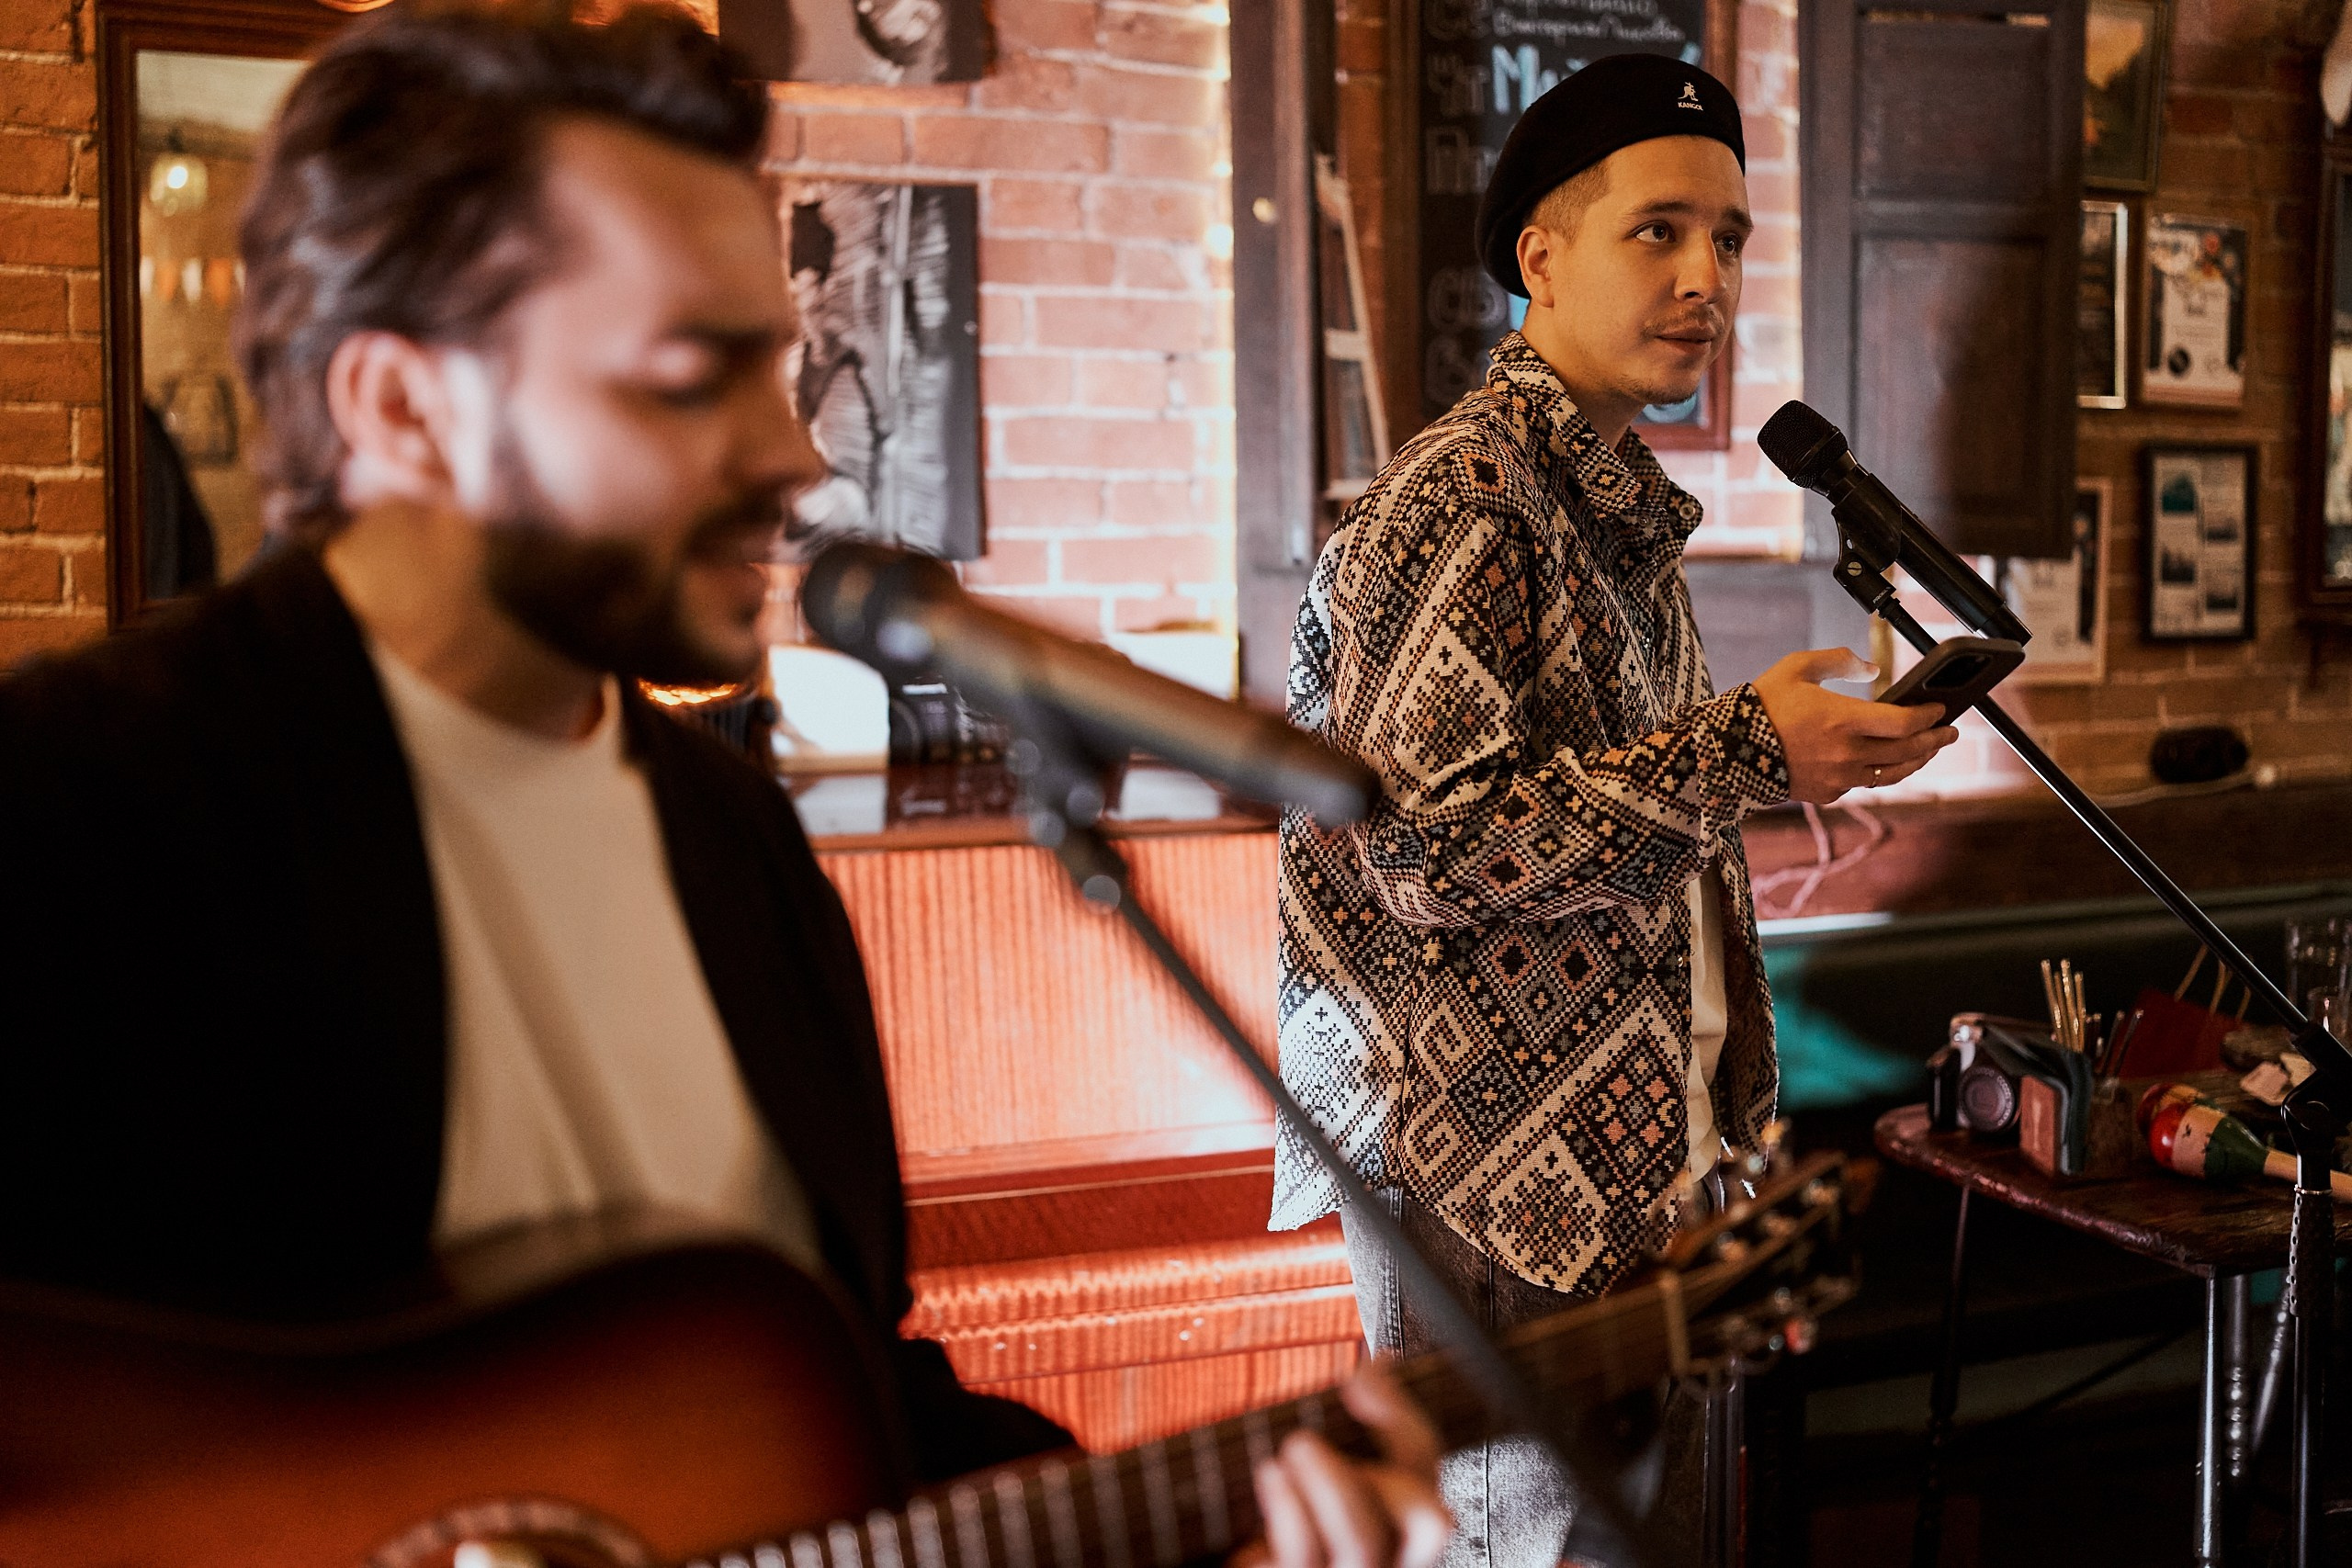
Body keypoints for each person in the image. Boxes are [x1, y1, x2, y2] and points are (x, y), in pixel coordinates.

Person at [0, 7, 1449, 1562]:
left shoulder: (731, 843)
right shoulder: (79, 818)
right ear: (399, 409)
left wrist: (1209, 1531)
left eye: (783, 368)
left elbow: (853, 1419)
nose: (794, 456)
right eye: (692, 378)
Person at [1272, 53, 1960, 1568]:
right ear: (1541, 256)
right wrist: (1742, 754)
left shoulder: (1604, 508)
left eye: (1728, 239)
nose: (1706, 275)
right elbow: (1417, 849)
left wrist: (1769, 749)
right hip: (1495, 1193)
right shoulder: (1468, 497)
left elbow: (1604, 831)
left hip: (1631, 1181)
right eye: (1659, 231)